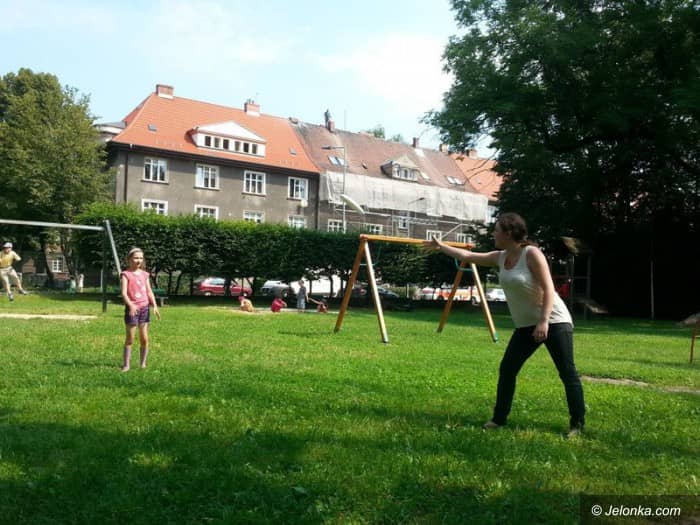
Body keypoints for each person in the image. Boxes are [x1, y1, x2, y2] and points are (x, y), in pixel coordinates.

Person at [424, 213, 585, 437]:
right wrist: (441, 246)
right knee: (508, 369)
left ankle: (577, 424)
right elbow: (467, 255)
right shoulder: (499, 257)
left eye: (497, 230)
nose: (493, 234)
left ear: (509, 233)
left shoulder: (532, 253)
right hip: (526, 325)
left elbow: (549, 288)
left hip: (554, 321)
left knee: (567, 372)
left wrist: (543, 321)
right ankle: (499, 419)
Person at [120, 247, 160, 372]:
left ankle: (143, 364)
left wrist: (155, 305)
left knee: (144, 338)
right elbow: (124, 293)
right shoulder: (126, 274)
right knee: (130, 338)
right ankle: (126, 365)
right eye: (136, 258)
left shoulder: (145, 274)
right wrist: (131, 305)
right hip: (132, 309)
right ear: (129, 259)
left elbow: (149, 291)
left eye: (141, 258)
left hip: (144, 309)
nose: (138, 260)